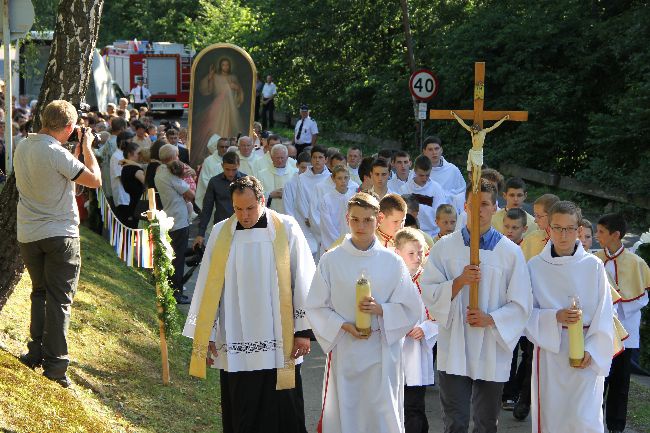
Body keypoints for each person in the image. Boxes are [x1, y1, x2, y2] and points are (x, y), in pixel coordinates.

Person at [183, 176, 316, 433]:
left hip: (280, 335)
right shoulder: (222, 232)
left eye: (250, 208)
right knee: (242, 405)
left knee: (283, 409)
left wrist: (303, 332)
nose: (244, 215)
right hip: (237, 334)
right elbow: (209, 286)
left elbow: (303, 279)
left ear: (262, 201)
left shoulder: (286, 228)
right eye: (238, 209)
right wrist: (207, 333)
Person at [419, 179, 532, 433]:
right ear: (465, 207)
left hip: (491, 346)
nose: (478, 209)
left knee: (485, 423)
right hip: (455, 344)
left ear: (495, 208)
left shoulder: (510, 253)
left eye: (484, 204)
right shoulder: (445, 248)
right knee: (455, 422)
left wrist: (490, 319)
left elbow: (522, 303)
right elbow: (428, 291)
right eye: (473, 204)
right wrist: (459, 282)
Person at [306, 192, 422, 433]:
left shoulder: (392, 262)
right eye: (355, 219)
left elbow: (411, 307)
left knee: (380, 415)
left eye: (368, 220)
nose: (361, 226)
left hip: (381, 351)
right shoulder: (331, 260)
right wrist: (343, 326)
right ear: (347, 219)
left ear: (378, 220)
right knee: (347, 413)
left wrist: (381, 310)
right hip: (346, 350)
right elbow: (316, 306)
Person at [15, 100, 102, 387]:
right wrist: (87, 148)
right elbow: (94, 181)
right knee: (60, 300)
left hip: (29, 233)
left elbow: (59, 179)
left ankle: (35, 351)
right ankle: (56, 366)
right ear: (68, 127)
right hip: (60, 233)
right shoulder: (55, 152)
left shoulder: (23, 145)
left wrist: (74, 153)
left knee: (39, 294)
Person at [525, 201, 614, 433]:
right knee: (553, 417)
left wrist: (593, 350)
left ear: (579, 230)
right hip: (550, 354)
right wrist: (555, 316)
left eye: (569, 228)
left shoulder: (593, 266)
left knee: (584, 420)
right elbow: (525, 313)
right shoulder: (535, 267)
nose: (563, 235)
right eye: (557, 228)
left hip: (585, 352)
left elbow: (605, 313)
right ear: (548, 229)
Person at [595, 213, 650, 433]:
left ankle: (617, 426)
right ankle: (594, 422)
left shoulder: (636, 262)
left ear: (615, 235)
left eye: (601, 232)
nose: (597, 236)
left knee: (620, 382)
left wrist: (619, 308)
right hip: (601, 328)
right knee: (599, 379)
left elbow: (644, 295)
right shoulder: (595, 259)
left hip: (626, 331)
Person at [394, 227, 438, 433]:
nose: (417, 257)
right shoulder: (391, 280)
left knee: (414, 405)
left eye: (420, 252)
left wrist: (426, 328)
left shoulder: (428, 281)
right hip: (394, 352)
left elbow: (440, 315)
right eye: (411, 253)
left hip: (416, 353)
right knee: (394, 404)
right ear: (398, 253)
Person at [155, 144, 195, 304]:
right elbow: (190, 193)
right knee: (177, 259)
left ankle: (174, 290)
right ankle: (176, 293)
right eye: (177, 155)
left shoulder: (160, 171)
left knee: (175, 256)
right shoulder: (169, 173)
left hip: (171, 216)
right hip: (178, 219)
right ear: (173, 157)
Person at [191, 57, 244, 167]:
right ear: (220, 66)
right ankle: (211, 154)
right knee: (213, 127)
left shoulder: (232, 77)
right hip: (217, 105)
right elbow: (208, 90)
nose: (225, 67)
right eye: (223, 65)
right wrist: (210, 77)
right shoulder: (215, 76)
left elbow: (239, 92)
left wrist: (236, 87)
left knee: (228, 128)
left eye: (227, 65)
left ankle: (228, 153)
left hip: (229, 108)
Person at [194, 151, 245, 249]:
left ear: (238, 165)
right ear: (222, 166)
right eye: (227, 169)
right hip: (221, 227)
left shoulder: (246, 180)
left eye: (234, 170)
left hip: (242, 228)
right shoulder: (214, 182)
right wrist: (200, 233)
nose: (230, 173)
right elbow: (207, 209)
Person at [399, 155, 448, 236]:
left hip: (432, 233)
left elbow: (441, 214)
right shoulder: (405, 189)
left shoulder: (437, 189)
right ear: (415, 171)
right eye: (421, 175)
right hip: (410, 232)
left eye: (427, 175)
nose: (424, 179)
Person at [296, 146, 330, 258]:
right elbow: (301, 199)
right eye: (314, 157)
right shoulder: (302, 178)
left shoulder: (330, 179)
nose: (317, 160)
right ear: (311, 159)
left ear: (326, 160)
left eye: (320, 157)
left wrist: (317, 220)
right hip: (305, 221)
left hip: (323, 221)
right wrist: (308, 217)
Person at [319, 166, 357, 251]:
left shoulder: (354, 196)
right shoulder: (327, 199)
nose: (343, 181)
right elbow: (327, 225)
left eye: (345, 178)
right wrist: (339, 243)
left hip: (352, 242)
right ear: (333, 179)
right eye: (339, 178)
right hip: (333, 244)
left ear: (349, 178)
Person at [257, 144, 299, 214]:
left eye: (282, 158)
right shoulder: (261, 174)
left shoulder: (295, 173)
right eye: (277, 158)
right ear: (271, 157)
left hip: (290, 214)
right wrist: (270, 195)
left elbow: (301, 195)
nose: (280, 161)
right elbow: (256, 195)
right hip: (270, 214)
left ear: (287, 157)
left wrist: (287, 194)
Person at [521, 193, 560, 261]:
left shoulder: (568, 243)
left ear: (553, 215)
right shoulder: (532, 238)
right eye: (535, 215)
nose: (535, 220)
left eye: (539, 216)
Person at [196, 136, 230, 210]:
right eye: (222, 147)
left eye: (226, 147)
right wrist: (218, 191)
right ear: (217, 147)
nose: (224, 149)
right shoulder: (208, 161)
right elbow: (204, 179)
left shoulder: (232, 159)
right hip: (213, 197)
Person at [119, 141, 145, 229]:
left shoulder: (125, 167)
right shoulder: (135, 169)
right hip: (138, 205)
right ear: (130, 154)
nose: (140, 156)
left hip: (133, 204)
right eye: (138, 153)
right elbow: (148, 183)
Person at [283, 151, 311, 221]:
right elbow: (288, 207)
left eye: (308, 168)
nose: (305, 171)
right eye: (303, 167)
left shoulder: (315, 182)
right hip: (298, 222)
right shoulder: (290, 184)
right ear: (297, 165)